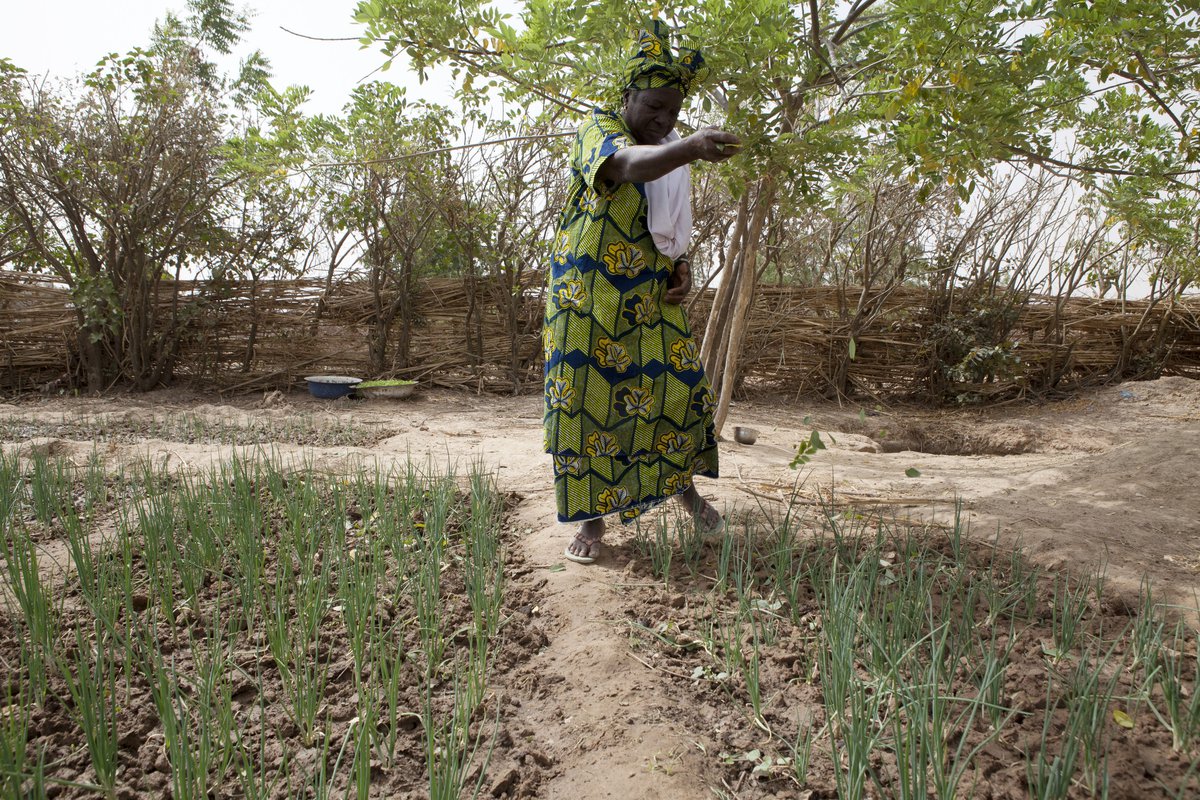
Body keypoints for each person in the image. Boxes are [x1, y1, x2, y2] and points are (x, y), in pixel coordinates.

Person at [542, 21, 741, 564]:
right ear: (628, 96)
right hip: (587, 299)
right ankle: (591, 520)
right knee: (585, 403)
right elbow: (624, 167)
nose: (664, 121)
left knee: (675, 389)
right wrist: (693, 147)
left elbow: (672, 220)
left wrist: (681, 265)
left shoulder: (668, 145)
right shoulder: (599, 128)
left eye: (673, 113)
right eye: (654, 107)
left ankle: (683, 489)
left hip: (649, 294)